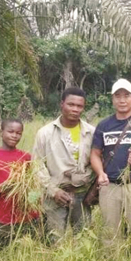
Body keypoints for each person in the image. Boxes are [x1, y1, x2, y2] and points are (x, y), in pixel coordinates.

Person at [90, 78, 131, 260]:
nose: (122, 100)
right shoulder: (104, 125)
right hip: (109, 185)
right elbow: (95, 154)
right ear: (112, 99)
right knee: (110, 232)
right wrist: (100, 173)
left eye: (126, 95)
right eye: (117, 96)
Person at [32, 87, 95, 241]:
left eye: (79, 106)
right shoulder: (45, 133)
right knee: (54, 241)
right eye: (71, 104)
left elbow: (97, 161)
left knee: (83, 239)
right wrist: (53, 191)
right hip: (55, 195)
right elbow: (37, 165)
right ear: (62, 104)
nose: (75, 109)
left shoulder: (92, 132)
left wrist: (84, 182)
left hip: (82, 194)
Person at [0, 118, 40, 251]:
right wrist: (0, 188)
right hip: (4, 219)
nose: (14, 136)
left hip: (28, 217)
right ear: (1, 132)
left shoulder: (26, 157)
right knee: (3, 255)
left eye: (18, 133)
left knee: (29, 254)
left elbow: (34, 184)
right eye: (10, 131)